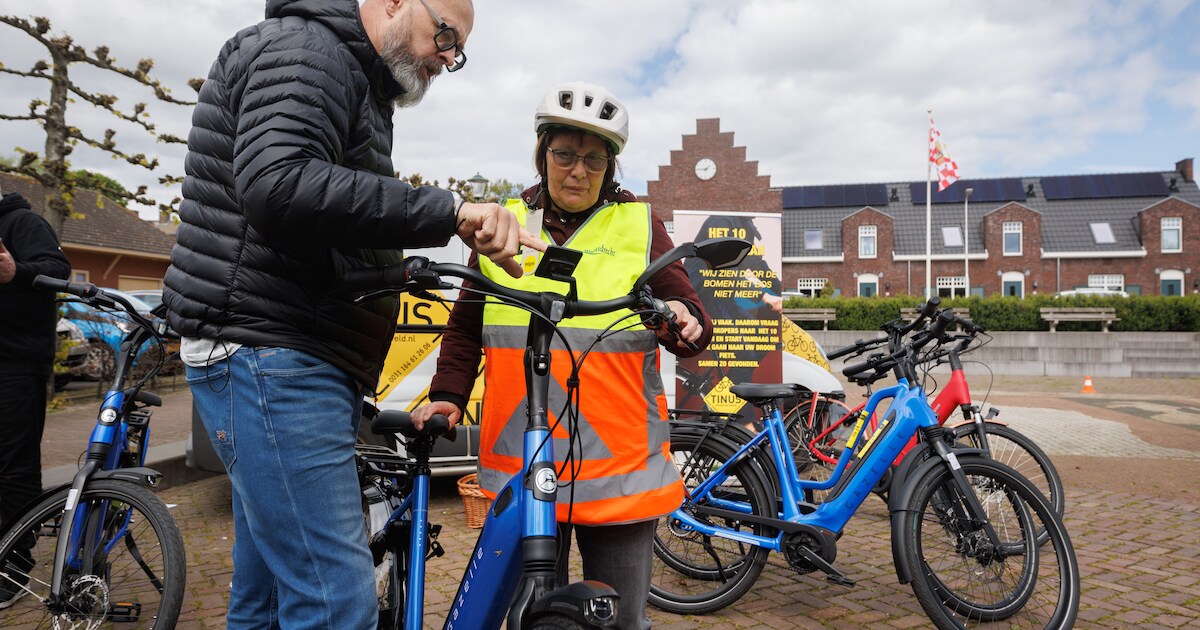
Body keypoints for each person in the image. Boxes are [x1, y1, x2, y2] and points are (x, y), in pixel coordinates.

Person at [161, 1, 542, 627]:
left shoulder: (350, 77)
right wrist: (449, 212)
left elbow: (326, 219)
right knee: (336, 599)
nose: (449, 58)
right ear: (392, 3)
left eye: (458, 49)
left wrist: (394, 269)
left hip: (281, 347)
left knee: (266, 601)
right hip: (273, 352)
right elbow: (280, 184)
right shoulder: (308, 53)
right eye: (445, 34)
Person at [413, 81, 712, 629]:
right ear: (542, 153)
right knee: (527, 617)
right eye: (565, 155)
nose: (578, 171)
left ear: (611, 167)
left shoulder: (639, 225)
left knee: (620, 620)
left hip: (621, 468)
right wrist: (448, 396)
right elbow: (466, 325)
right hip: (525, 464)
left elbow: (690, 322)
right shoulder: (504, 222)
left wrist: (682, 320)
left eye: (594, 160)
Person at [0, 181, 72, 608]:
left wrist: (16, 272)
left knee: (13, 466)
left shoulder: (23, 222)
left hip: (14, 366)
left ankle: (14, 565)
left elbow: (57, 272)